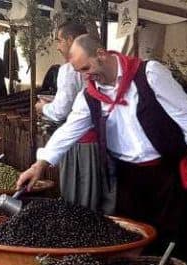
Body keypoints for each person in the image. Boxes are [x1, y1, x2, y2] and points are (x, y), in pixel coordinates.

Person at [18, 34, 187, 265]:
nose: (85, 75)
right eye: (80, 71)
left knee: (173, 234)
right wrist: (41, 164)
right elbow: (69, 131)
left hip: (165, 172)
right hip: (127, 174)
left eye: (86, 67)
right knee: (133, 234)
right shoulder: (90, 94)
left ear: (101, 54)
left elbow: (186, 113)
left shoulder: (149, 73)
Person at [20, 23, 115, 213]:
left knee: (79, 196)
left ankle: (84, 226)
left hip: (80, 143)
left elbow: (62, 111)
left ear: (71, 40)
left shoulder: (69, 70)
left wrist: (44, 107)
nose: (58, 46)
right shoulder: (98, 68)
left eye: (59, 40)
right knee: (96, 192)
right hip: (100, 141)